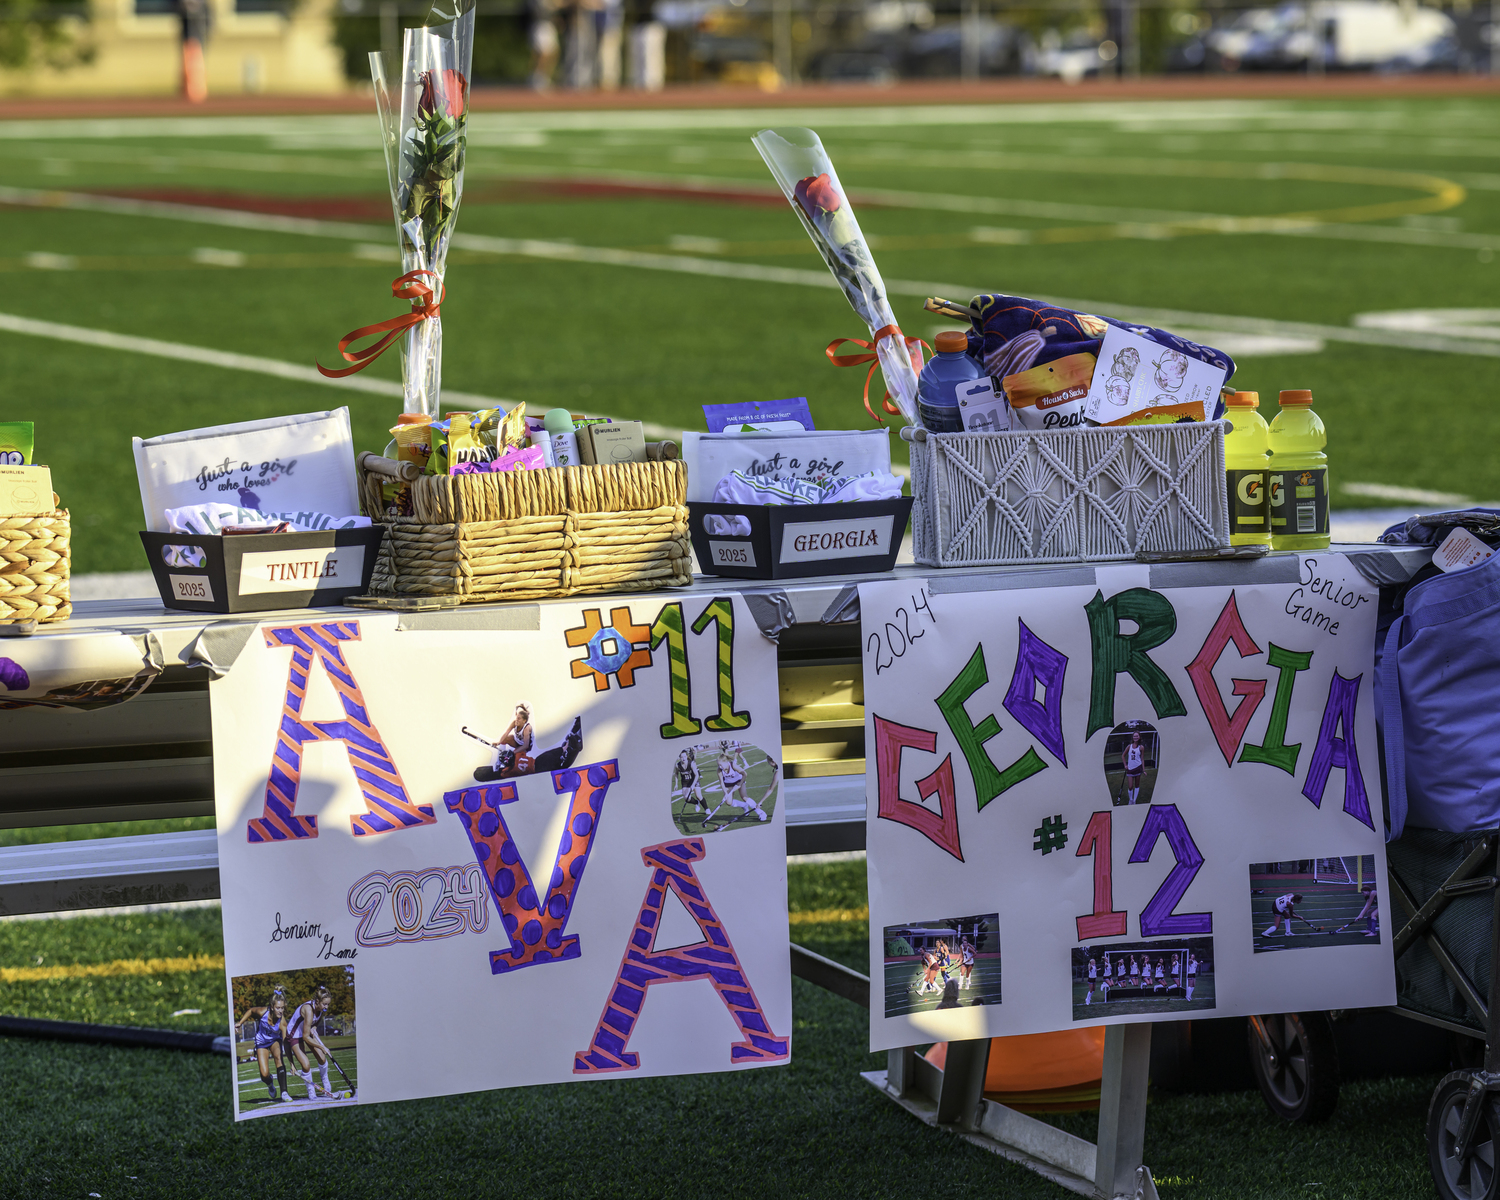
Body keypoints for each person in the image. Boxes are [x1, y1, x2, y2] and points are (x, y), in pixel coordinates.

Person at [235, 989, 291, 1103]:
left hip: (275, 1040)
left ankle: (284, 1092)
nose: (281, 1011)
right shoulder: (262, 1012)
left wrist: (291, 1063)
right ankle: (270, 1083)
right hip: (261, 1043)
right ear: (271, 1007)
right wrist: (239, 1023)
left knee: (279, 1058)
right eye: (278, 1008)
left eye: (282, 1008)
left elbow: (286, 1042)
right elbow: (250, 1011)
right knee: (264, 1074)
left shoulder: (282, 1022)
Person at [287, 986, 336, 1101]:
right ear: (317, 1002)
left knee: (322, 1058)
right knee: (306, 1065)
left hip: (306, 1031)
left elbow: (312, 1026)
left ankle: (325, 1080)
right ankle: (311, 1091)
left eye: (328, 1004)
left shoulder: (320, 1009)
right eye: (324, 1004)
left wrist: (314, 1029)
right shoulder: (308, 1010)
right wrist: (321, 1046)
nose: (326, 1007)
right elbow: (305, 1036)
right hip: (294, 1035)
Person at [1122, 731, 1146, 804]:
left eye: (1137, 736)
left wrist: (1144, 770)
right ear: (1133, 737)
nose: (1135, 737)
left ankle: (1134, 800)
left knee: (1137, 785)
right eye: (1134, 736)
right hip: (1130, 769)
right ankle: (1130, 799)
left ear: (1139, 737)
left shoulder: (1141, 747)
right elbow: (1123, 756)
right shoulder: (1129, 746)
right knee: (1130, 786)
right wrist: (1125, 765)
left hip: (1138, 768)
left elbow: (1142, 759)